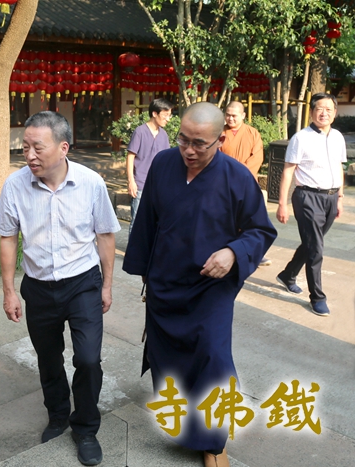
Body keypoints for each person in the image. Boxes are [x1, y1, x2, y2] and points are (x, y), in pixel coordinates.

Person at [122, 102, 276, 467]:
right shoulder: (163, 164)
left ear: (220, 140)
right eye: (183, 140)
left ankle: (212, 443)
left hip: (211, 288)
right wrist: (146, 274)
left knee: (213, 360)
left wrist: (234, 253)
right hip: (166, 282)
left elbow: (260, 230)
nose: (189, 151)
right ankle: (186, 429)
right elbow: (147, 222)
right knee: (169, 363)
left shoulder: (237, 177)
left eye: (199, 144)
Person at [0, 111, 120, 466]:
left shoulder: (91, 183)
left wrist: (107, 286)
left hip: (83, 284)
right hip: (38, 287)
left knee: (88, 359)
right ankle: (58, 414)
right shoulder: (15, 185)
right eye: (25, 147)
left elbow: (105, 236)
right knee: (48, 358)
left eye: (38, 147)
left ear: (63, 148)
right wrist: (9, 291)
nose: (30, 155)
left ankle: (86, 428)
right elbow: (8, 238)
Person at [275, 93, 346, 317]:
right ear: (312, 112)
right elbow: (288, 171)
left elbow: (338, 167)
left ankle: (288, 275)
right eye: (319, 109)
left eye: (328, 109)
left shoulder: (337, 137)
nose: (324, 113)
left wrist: (340, 197)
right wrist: (282, 204)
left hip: (331, 197)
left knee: (311, 243)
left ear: (335, 113)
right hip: (307, 197)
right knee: (316, 249)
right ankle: (317, 297)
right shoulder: (301, 138)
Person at [222, 101, 271, 267]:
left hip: (247, 183)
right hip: (224, 183)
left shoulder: (252, 133)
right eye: (227, 115)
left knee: (249, 219)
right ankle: (229, 251)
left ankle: (253, 252)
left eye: (234, 115)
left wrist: (241, 174)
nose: (230, 118)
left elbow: (257, 158)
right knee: (227, 220)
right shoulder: (219, 133)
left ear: (243, 115)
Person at [126, 98, 173, 233]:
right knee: (137, 222)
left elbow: (166, 161)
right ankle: (133, 247)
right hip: (140, 184)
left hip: (158, 186)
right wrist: (131, 181)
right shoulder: (140, 132)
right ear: (154, 113)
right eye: (165, 115)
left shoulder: (163, 135)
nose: (168, 119)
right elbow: (130, 156)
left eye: (169, 115)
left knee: (155, 222)